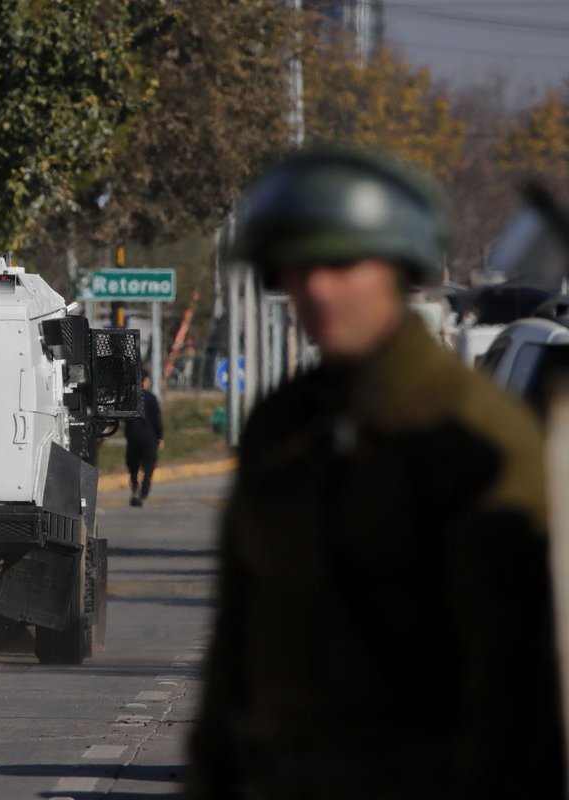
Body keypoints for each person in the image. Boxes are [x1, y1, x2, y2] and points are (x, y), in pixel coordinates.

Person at [187, 148, 565, 800]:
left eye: (340, 264)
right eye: (297, 268)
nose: (316, 289)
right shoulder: (284, 423)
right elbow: (236, 643)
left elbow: (515, 675)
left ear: (398, 268)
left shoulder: (474, 429)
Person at [125, 369, 163, 507]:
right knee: (148, 466)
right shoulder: (151, 398)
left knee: (133, 467)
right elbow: (157, 420)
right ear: (145, 381)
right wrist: (160, 437)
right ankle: (145, 486)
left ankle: (135, 485)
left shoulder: (130, 398)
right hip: (149, 437)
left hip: (133, 437)